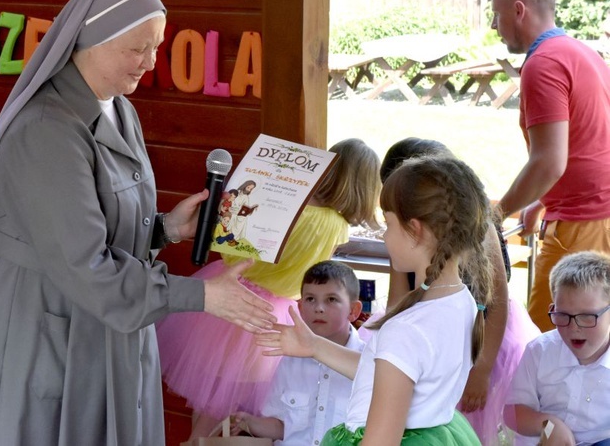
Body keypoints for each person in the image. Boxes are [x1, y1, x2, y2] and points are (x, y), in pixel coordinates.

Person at [0, 0, 276, 446]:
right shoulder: (45, 128)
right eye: (137, 48)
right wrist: (203, 297)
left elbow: (92, 224)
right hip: (34, 326)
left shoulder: (118, 107)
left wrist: (165, 229)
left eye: (157, 47)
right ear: (92, 38)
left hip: (92, 316)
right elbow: (84, 263)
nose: (150, 62)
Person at [258, 156, 492, 445]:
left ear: (415, 229)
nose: (384, 234)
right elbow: (385, 373)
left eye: (389, 223)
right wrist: (315, 346)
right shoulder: (462, 301)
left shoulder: (407, 330)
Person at [157, 137, 382, 438]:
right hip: (269, 315)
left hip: (225, 292)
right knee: (241, 409)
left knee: (209, 405)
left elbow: (231, 248)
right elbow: (312, 275)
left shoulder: (287, 204)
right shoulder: (335, 227)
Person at [379, 137, 540, 445]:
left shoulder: (479, 229)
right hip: (429, 336)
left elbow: (497, 299)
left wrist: (481, 370)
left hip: (486, 337)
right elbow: (396, 299)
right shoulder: (401, 239)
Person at [490, 0, 610, 332]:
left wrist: (496, 216)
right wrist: (540, 201)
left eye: (496, 15)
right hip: (597, 216)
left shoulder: (542, 64)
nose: (494, 27)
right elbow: (589, 140)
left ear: (519, 10)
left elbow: (549, 162)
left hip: (581, 225)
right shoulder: (582, 52)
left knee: (543, 346)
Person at [230, 260, 365, 444]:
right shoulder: (287, 360)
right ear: (300, 308)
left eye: (331, 299)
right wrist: (252, 423)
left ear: (353, 311)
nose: (319, 308)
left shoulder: (369, 363)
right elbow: (282, 426)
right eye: (310, 299)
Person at [504, 251, 610, 445]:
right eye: (563, 315)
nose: (574, 327)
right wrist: (549, 424)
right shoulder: (539, 351)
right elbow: (513, 413)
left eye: (587, 316)